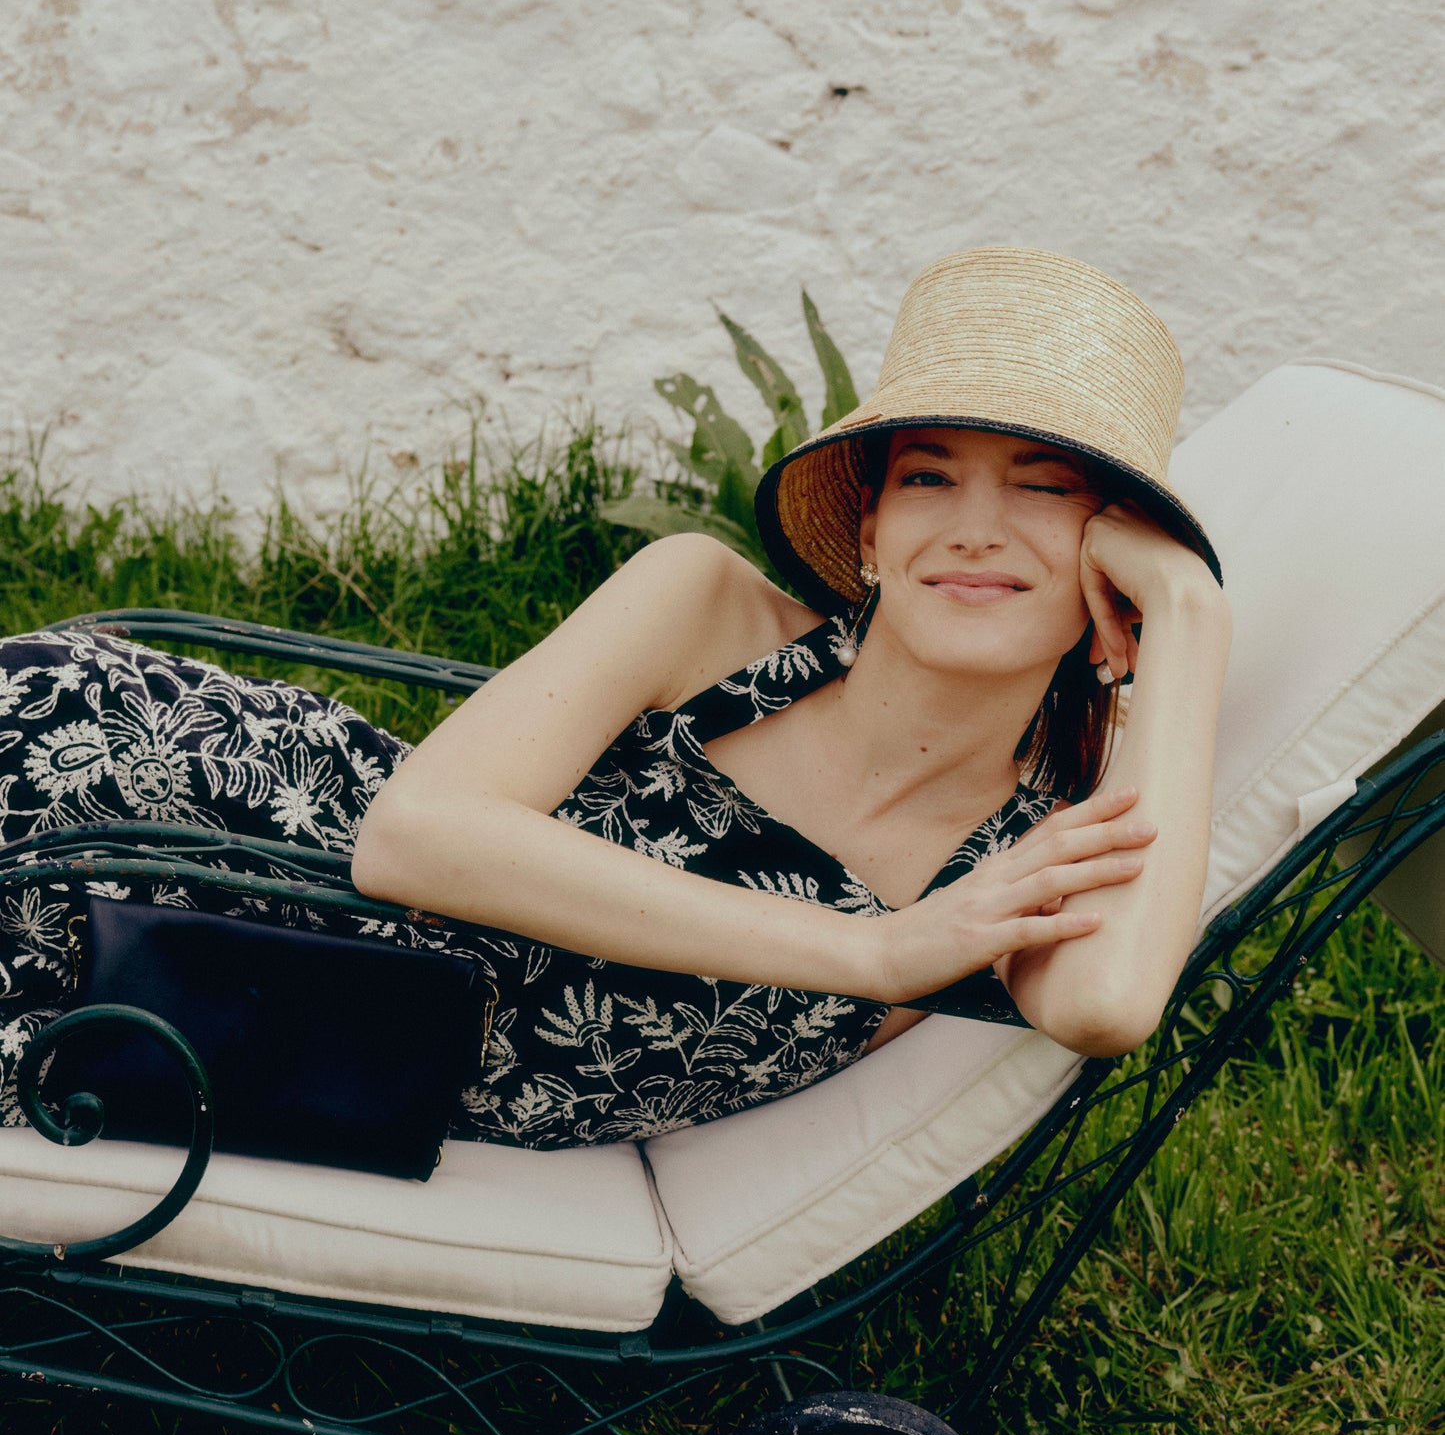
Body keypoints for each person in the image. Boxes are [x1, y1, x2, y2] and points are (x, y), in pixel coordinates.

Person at [0, 248, 1230, 1150]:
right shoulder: (707, 609)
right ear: (868, 529)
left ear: (1106, 558)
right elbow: (410, 834)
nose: (971, 529)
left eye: (1042, 488)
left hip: (276, 1015)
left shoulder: (1034, 846)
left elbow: (1109, 1004)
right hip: (190, 839)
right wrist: (874, 951)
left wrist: (1185, 615)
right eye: (927, 476)